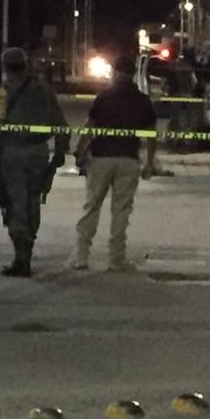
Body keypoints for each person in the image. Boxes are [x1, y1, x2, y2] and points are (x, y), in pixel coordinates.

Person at [0, 47, 70, 278]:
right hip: (38, 154)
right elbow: (61, 124)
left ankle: (21, 259)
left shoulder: (2, 93)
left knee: (15, 204)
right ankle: (26, 253)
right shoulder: (44, 91)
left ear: (4, 67)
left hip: (11, 155)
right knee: (32, 203)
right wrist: (60, 153)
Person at [68, 54, 157, 272]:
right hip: (128, 160)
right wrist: (149, 163)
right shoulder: (143, 101)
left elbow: (89, 127)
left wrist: (79, 151)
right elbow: (151, 135)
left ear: (115, 73)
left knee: (91, 207)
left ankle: (81, 256)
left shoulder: (104, 97)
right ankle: (116, 259)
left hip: (101, 159)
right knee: (121, 211)